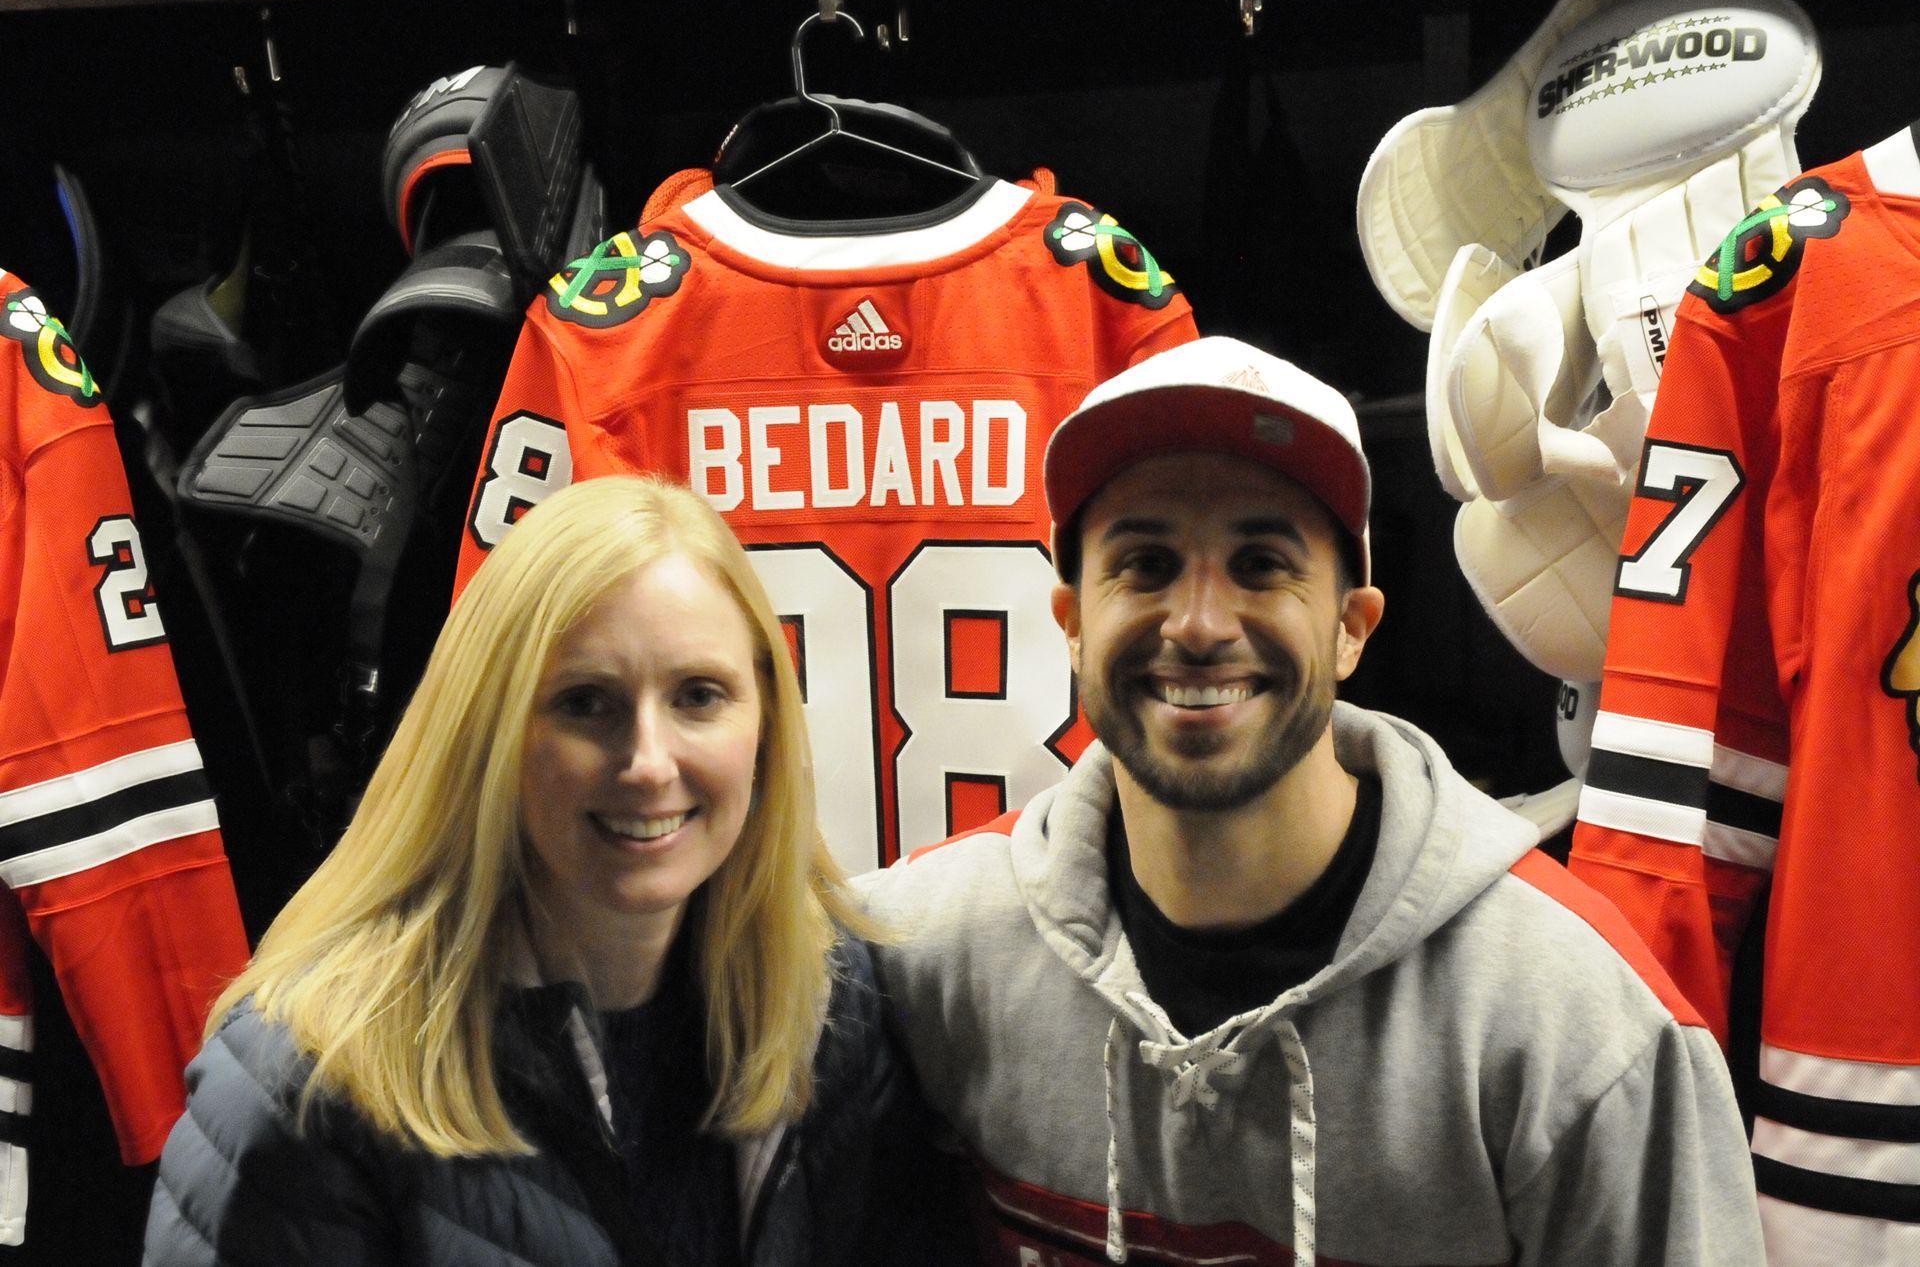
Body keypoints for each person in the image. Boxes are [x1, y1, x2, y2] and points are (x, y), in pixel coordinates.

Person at [860, 336, 1764, 1266]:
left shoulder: (1574, 1027)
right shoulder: (921, 955)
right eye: (1145, 563)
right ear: (1073, 623)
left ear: (1350, 628)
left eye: (1260, 563)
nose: (1201, 623)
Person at [143, 475, 968, 1267]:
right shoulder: (303, 1082)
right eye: (585, 701)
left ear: (767, 722)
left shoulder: (832, 1006)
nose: (649, 762)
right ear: (488, 737)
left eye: (699, 695)